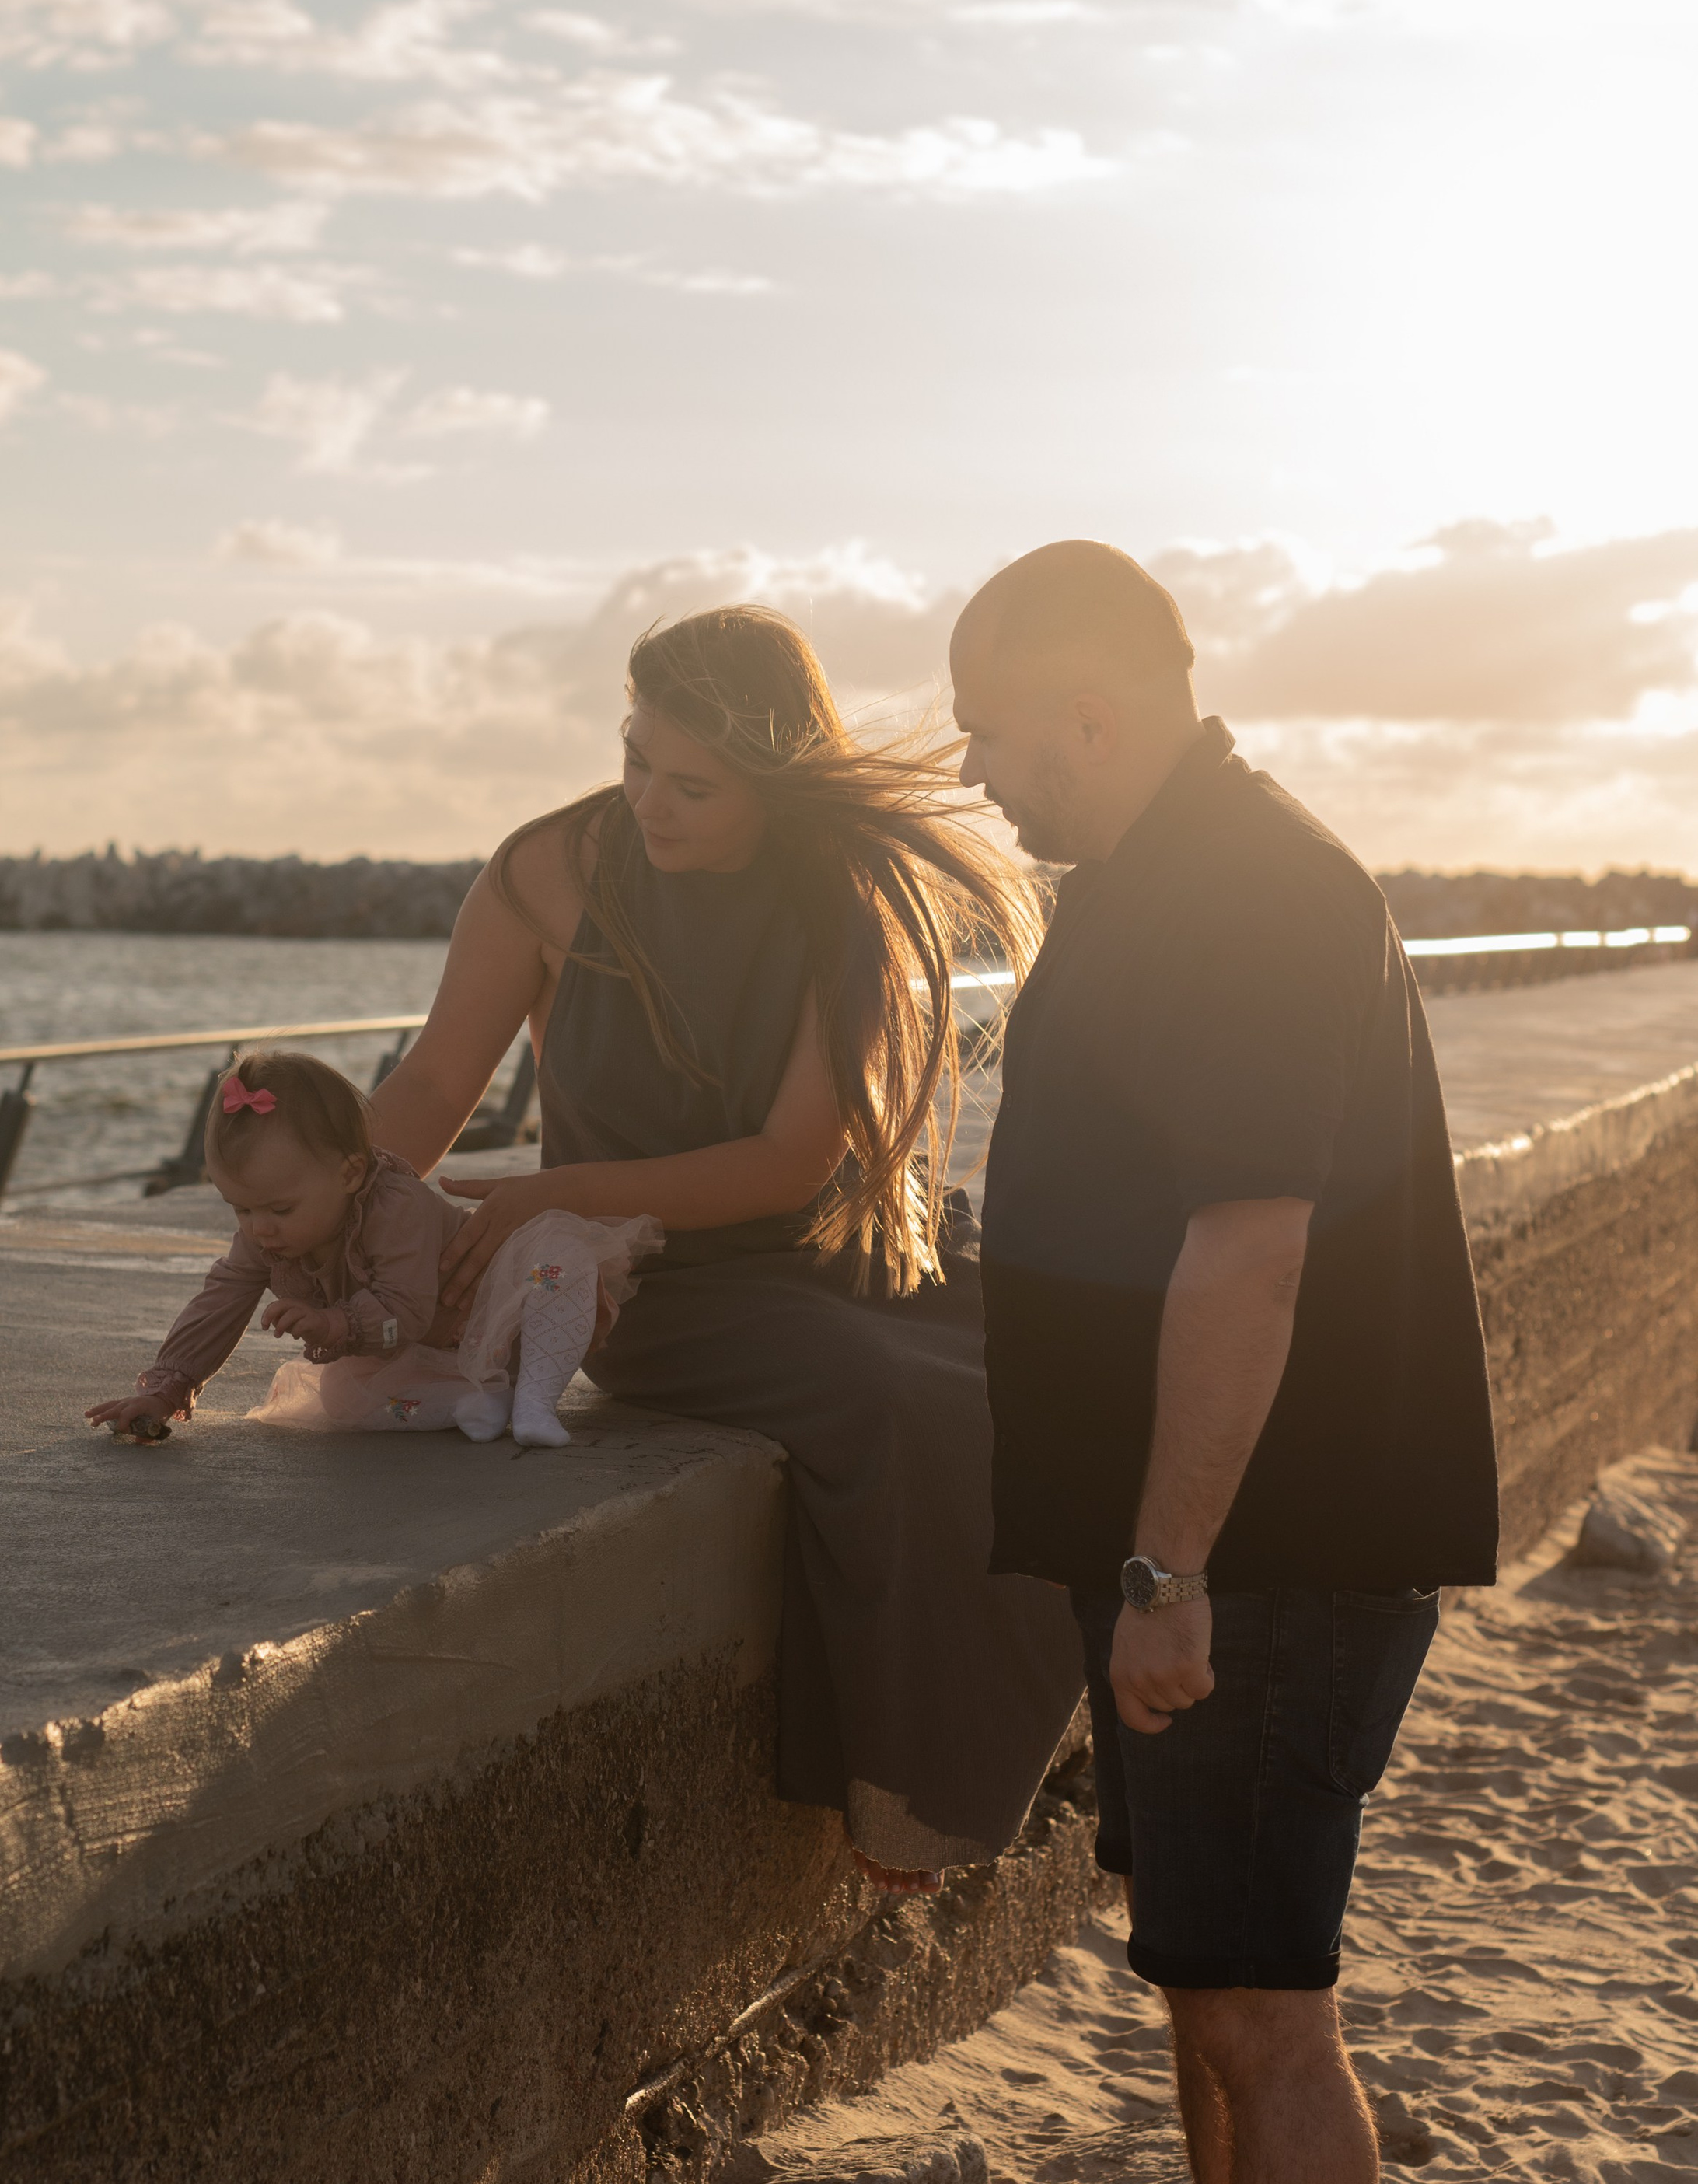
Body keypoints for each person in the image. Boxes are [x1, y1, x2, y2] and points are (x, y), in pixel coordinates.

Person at [957, 541, 1497, 2184]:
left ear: (1089, 709)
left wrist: (1173, 1557)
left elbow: (1251, 1246)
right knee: (1205, 1977)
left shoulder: (1252, 884)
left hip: (1268, 1552)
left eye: (995, 729)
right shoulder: (1170, 873)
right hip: (1194, 1551)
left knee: (1270, 2009)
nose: (984, 770)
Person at [365, 605, 1086, 1889]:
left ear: (775, 779)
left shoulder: (842, 890)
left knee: (1055, 1377)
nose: (650, 798)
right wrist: (331, 1223)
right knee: (899, 1402)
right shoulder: (548, 869)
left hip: (832, 1257)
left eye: (693, 782)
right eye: (636, 755)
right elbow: (429, 1087)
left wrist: (543, 1187)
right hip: (651, 1282)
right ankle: (904, 1789)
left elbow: (791, 1160)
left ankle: (1015, 1763)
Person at [83, 1048, 656, 1451]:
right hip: (429, 1355)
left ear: (351, 1171)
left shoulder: (394, 1205)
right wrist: (169, 1386)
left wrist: (332, 1322)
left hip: (497, 1317)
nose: (260, 1229)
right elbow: (219, 1302)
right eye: (241, 1209)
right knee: (344, 1400)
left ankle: (535, 1400)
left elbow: (406, 1309)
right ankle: (471, 1405)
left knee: (562, 1257)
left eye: (278, 1209)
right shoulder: (269, 1238)